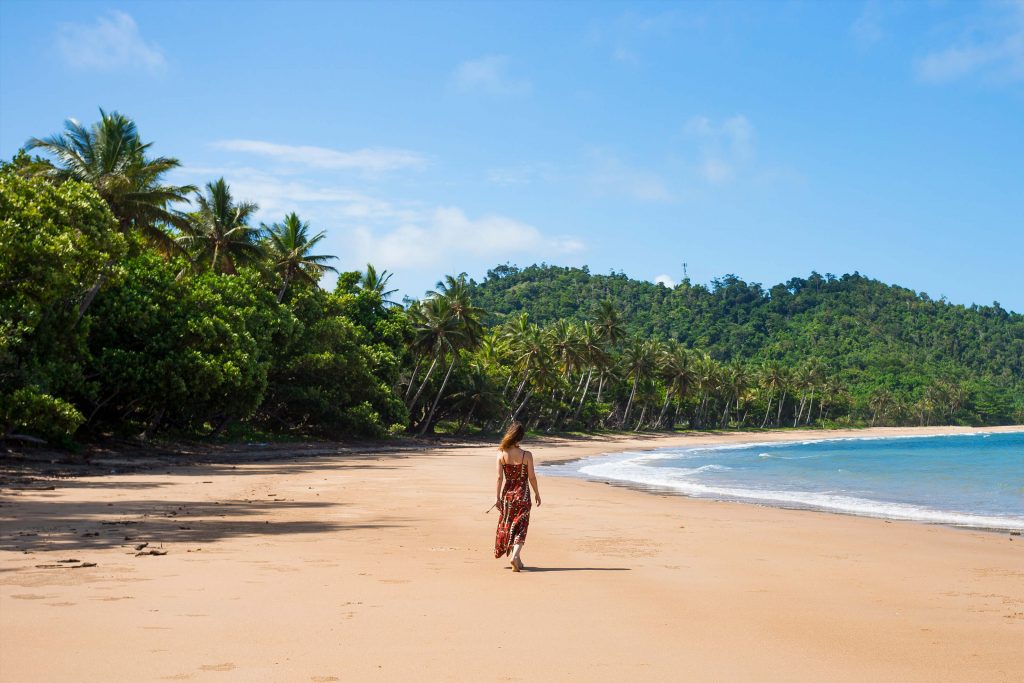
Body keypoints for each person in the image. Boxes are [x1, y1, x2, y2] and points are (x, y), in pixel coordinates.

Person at [493, 421, 541, 572]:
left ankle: (517, 559)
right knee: (521, 526)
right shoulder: (526, 455)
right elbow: (531, 477)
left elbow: (499, 478)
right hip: (523, 494)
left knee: (510, 525)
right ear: (520, 437)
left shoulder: (501, 454)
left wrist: (497, 498)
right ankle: (515, 556)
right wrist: (537, 493)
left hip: (507, 494)